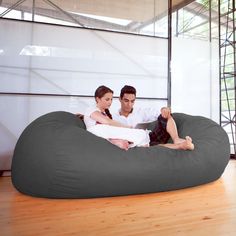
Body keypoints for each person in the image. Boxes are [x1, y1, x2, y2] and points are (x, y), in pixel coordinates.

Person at [112, 85, 194, 150]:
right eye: (126, 101)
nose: (129, 104)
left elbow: (160, 113)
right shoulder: (113, 117)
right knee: (156, 146)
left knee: (164, 116)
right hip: (137, 144)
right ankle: (182, 146)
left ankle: (176, 139)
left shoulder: (140, 112)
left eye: (132, 101)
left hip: (149, 137)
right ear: (120, 99)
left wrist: (164, 109)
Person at [84, 85, 150, 150]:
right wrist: (128, 128)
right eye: (107, 99)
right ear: (98, 99)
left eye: (111, 99)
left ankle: (124, 142)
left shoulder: (105, 113)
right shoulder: (91, 110)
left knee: (140, 134)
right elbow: (107, 122)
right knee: (141, 134)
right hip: (99, 133)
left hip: (106, 134)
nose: (110, 102)